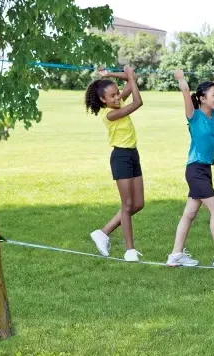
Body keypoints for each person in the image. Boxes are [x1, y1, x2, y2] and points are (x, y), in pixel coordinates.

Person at [166, 69, 214, 269]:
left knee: (190, 213)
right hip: (195, 170)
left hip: (205, 170)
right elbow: (185, 91)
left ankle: (175, 255)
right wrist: (180, 78)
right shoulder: (194, 115)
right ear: (202, 98)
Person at [85, 65, 145, 262]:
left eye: (118, 93)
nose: (118, 97)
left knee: (138, 204)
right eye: (113, 96)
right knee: (127, 205)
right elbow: (138, 102)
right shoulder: (110, 114)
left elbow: (131, 78)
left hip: (132, 155)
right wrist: (130, 77)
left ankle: (103, 233)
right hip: (120, 157)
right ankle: (130, 251)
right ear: (103, 100)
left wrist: (110, 74)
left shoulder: (118, 103)